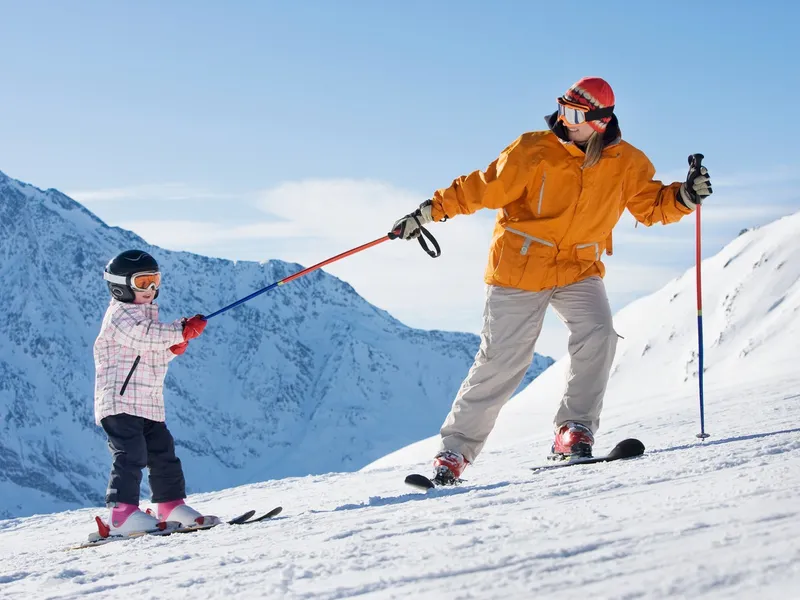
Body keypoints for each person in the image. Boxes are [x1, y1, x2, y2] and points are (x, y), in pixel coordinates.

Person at [391, 76, 713, 484]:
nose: (565, 120)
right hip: (521, 266)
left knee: (599, 334)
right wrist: (428, 212)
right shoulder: (533, 150)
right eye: (562, 108)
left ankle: (572, 431)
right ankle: (454, 452)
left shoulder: (627, 163)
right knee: (503, 360)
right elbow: (481, 188)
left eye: (575, 114)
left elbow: (651, 206)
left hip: (579, 267)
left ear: (600, 121)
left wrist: (684, 196)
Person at [93, 249, 212, 535]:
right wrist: (179, 331)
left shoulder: (146, 318)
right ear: (120, 284)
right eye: (143, 282)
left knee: (163, 454)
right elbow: (144, 335)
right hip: (120, 403)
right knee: (131, 455)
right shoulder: (120, 317)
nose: (151, 289)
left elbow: (151, 352)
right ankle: (121, 514)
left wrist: (171, 348)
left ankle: (171, 505)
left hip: (148, 404)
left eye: (155, 281)